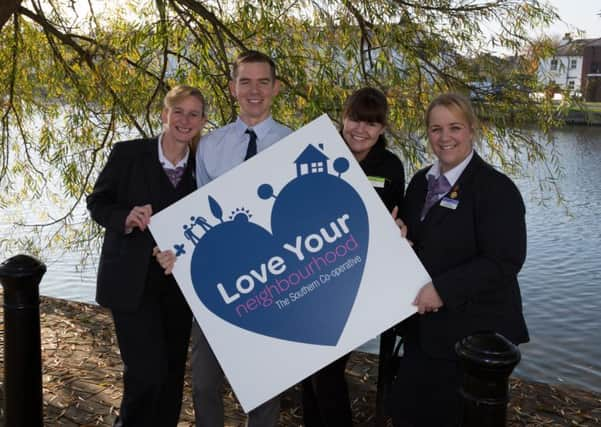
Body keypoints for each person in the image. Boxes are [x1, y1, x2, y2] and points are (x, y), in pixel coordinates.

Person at [388, 92, 529, 427]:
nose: (445, 137)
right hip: (422, 330)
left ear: (471, 130)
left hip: (469, 337)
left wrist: (442, 289)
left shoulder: (496, 188)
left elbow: (504, 261)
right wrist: (400, 233)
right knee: (407, 414)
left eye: (455, 127)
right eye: (436, 129)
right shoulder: (422, 181)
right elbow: (418, 239)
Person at [86, 85, 207, 426]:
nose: (185, 120)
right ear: (164, 115)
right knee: (144, 374)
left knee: (170, 376)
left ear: (202, 121)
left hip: (179, 285)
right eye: (178, 111)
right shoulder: (128, 154)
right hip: (130, 282)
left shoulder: (204, 166)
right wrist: (124, 217)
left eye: (194, 114)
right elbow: (97, 202)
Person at [192, 50, 292, 426]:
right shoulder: (210, 145)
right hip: (217, 280)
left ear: (275, 88)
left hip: (273, 280)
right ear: (232, 88)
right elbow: (200, 212)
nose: (254, 90)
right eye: (245, 81)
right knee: (203, 383)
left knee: (263, 390)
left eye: (263, 82)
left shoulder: (294, 145)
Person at [301, 87, 405, 427]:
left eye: (371, 124)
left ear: (382, 129)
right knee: (307, 371)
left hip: (357, 285)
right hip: (311, 278)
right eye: (354, 119)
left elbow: (396, 222)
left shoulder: (390, 166)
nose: (360, 129)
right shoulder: (319, 153)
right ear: (342, 118)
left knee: (327, 371)